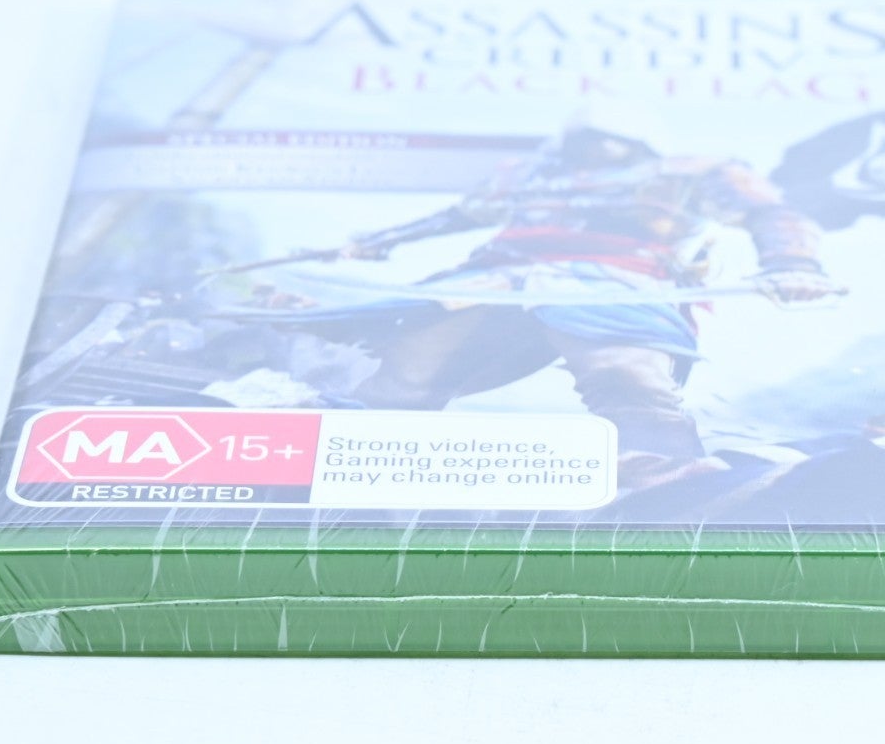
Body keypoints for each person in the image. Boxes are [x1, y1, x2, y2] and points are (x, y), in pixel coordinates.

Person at [327, 103, 839, 478]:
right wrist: (379, 241)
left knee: (624, 373)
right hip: (497, 279)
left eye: (608, 138)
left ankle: (667, 478)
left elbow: (771, 213)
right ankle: (354, 462)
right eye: (587, 139)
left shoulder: (692, 172)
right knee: (408, 367)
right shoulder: (528, 175)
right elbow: (458, 216)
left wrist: (792, 263)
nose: (596, 149)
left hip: (614, 283)